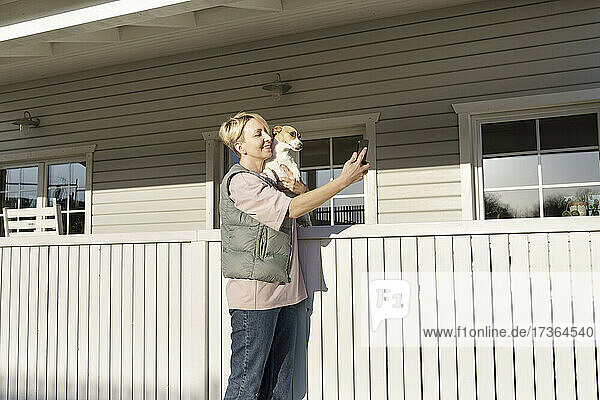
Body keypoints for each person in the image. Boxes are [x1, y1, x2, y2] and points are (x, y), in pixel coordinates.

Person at [218, 111, 369, 400]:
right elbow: (289, 210)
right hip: (255, 297)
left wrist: (302, 190)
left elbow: (300, 211)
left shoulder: (272, 181)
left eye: (267, 131)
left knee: (280, 387)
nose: (267, 137)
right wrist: (342, 181)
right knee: (246, 387)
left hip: (287, 293)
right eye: (258, 134)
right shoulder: (241, 182)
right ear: (240, 147)